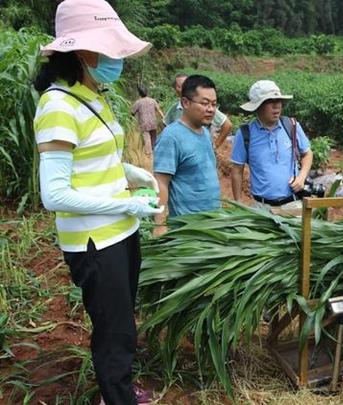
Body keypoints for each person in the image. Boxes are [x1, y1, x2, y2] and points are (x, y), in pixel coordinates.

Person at [32, 1, 163, 404]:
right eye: (108, 50)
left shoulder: (92, 96)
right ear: (84, 53)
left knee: (122, 322)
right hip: (94, 241)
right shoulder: (58, 105)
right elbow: (54, 194)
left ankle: (118, 386)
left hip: (120, 233)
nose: (115, 60)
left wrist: (129, 173)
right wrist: (124, 204)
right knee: (114, 329)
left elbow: (94, 162)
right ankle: (117, 397)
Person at [153, 75, 222, 236]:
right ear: (185, 102)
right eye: (204, 103)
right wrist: (160, 225)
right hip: (189, 228)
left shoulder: (205, 132)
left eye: (213, 104)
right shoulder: (171, 137)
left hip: (213, 221)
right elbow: (161, 182)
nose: (211, 109)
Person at [229, 80, 313, 210]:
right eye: (270, 102)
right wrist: (239, 203)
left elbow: (307, 154)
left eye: (278, 101)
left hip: (293, 204)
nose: (277, 106)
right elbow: (237, 170)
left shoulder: (292, 126)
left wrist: (301, 177)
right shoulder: (245, 133)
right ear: (257, 106)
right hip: (261, 207)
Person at [163, 73, 233, 148]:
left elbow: (227, 125)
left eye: (213, 104)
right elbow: (165, 124)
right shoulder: (174, 109)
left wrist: (215, 146)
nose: (185, 88)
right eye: (181, 86)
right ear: (175, 89)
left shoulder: (205, 131)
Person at [131, 84, 164, 156]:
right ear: (147, 92)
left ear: (139, 93)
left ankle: (149, 153)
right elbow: (159, 110)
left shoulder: (138, 102)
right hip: (153, 122)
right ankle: (155, 150)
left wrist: (131, 116)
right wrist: (164, 118)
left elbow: (132, 112)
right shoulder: (153, 101)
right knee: (154, 137)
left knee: (147, 138)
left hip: (144, 123)